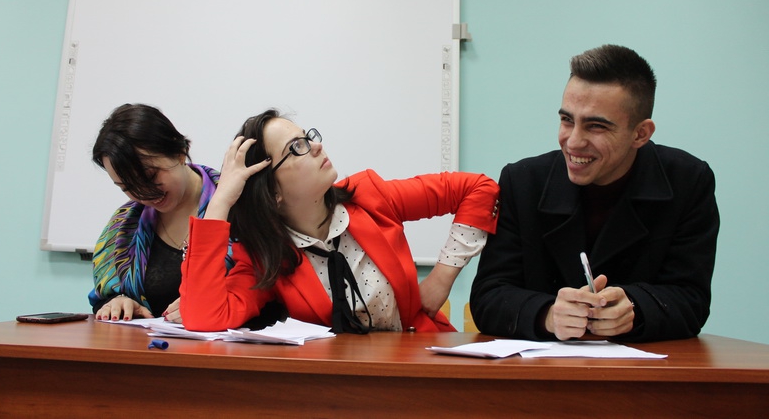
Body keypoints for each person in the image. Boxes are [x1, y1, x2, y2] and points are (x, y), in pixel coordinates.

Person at [471, 44, 719, 343]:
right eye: (567, 120)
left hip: (645, 368)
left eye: (596, 126)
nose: (573, 142)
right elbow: (489, 297)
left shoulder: (688, 180)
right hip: (539, 367)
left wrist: (635, 308)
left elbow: (691, 300)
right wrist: (548, 314)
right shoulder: (523, 181)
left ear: (640, 133)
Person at [180, 109, 499, 332]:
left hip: (418, 358)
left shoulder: (371, 196)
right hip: (339, 384)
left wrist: (441, 279)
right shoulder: (266, 257)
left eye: (308, 137)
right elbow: (204, 317)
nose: (317, 146)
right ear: (272, 191)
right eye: (297, 147)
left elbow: (478, 188)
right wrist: (221, 200)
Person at [88, 103, 220, 323]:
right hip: (149, 343)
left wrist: (215, 305)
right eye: (126, 186)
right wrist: (119, 302)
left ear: (179, 153)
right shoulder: (124, 225)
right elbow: (104, 296)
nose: (144, 193)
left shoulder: (239, 205)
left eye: (150, 176)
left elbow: (265, 293)